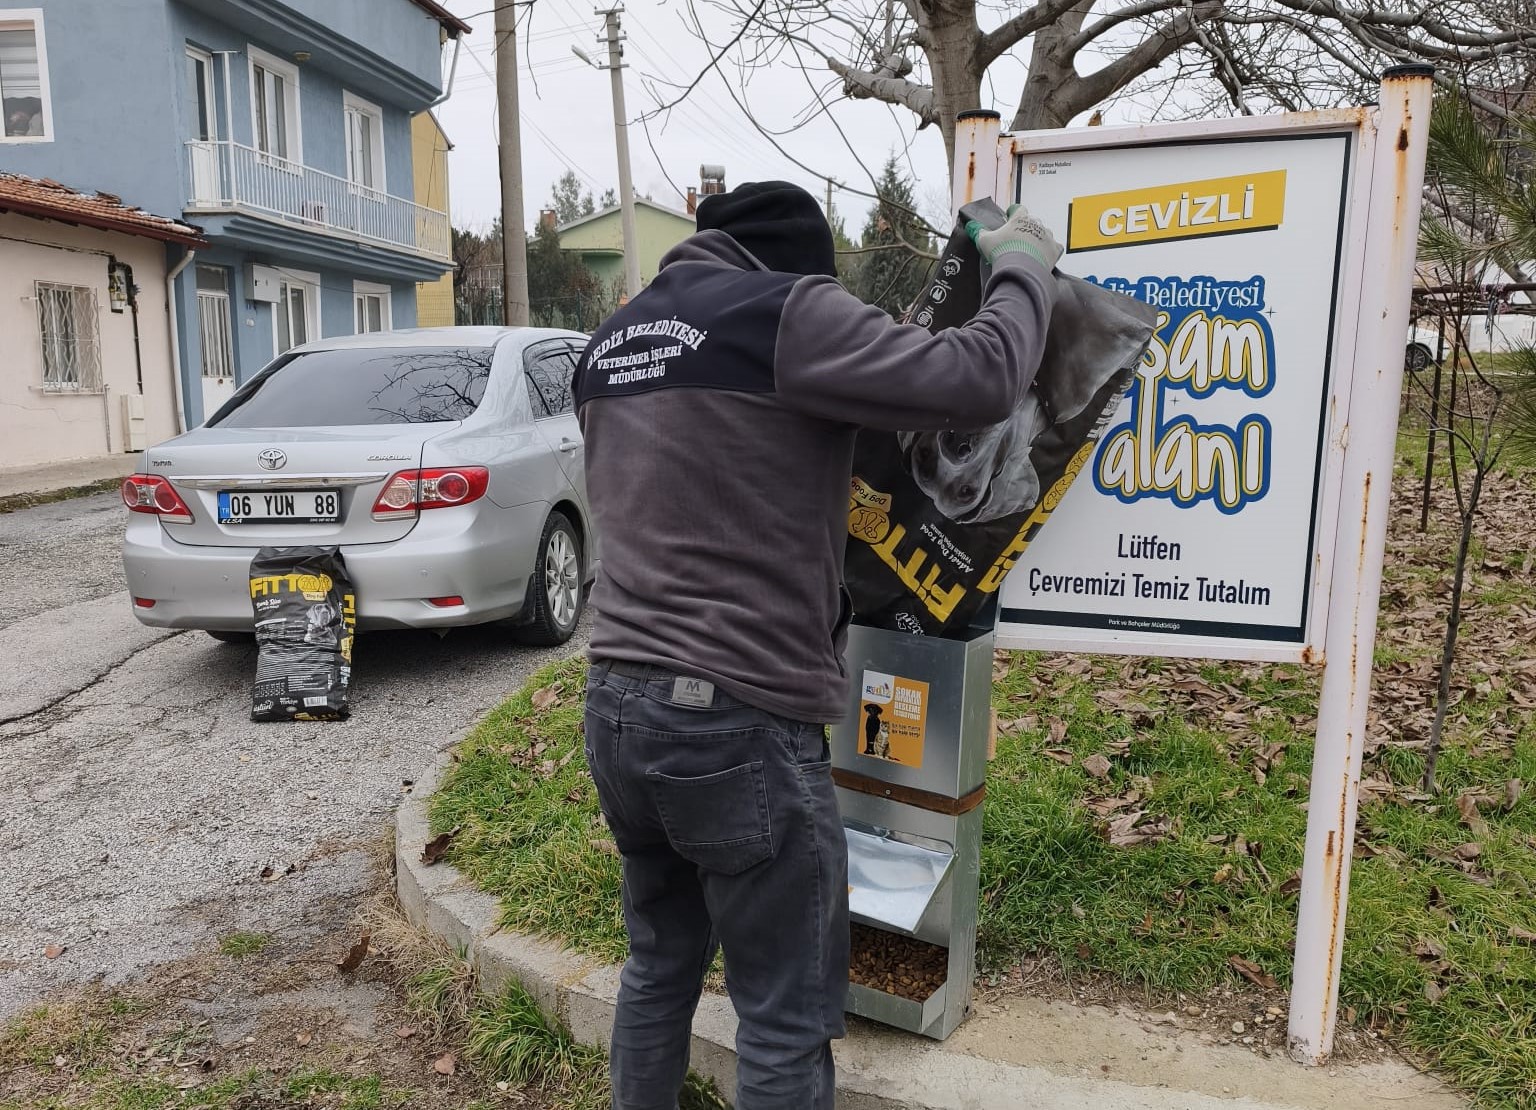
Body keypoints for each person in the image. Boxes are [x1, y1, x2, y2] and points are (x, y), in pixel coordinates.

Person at [573, 181, 1060, 1110]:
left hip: (619, 709)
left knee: (659, 966)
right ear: (804, 270)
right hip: (736, 722)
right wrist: (1025, 262)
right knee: (784, 1019)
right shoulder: (789, 315)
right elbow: (983, 377)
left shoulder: (615, 341)